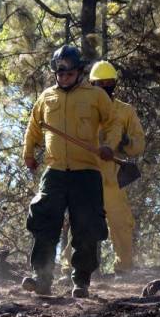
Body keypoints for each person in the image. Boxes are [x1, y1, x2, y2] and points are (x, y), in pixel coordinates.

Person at [21, 45, 121, 298]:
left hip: (86, 172)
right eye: (59, 72)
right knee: (44, 223)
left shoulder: (96, 96)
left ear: (79, 71)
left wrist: (109, 145)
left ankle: (81, 281)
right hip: (54, 171)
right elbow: (34, 128)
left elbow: (113, 123)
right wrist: (29, 154)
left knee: (86, 227)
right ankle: (41, 278)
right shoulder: (46, 97)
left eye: (68, 72)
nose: (63, 77)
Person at [59, 60, 145, 279]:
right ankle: (70, 268)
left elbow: (138, 144)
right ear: (92, 84)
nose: (105, 87)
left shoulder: (125, 111)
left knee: (121, 223)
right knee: (81, 222)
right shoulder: (82, 107)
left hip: (112, 178)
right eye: (100, 83)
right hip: (85, 173)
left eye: (109, 83)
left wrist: (125, 142)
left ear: (114, 84)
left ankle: (124, 269)